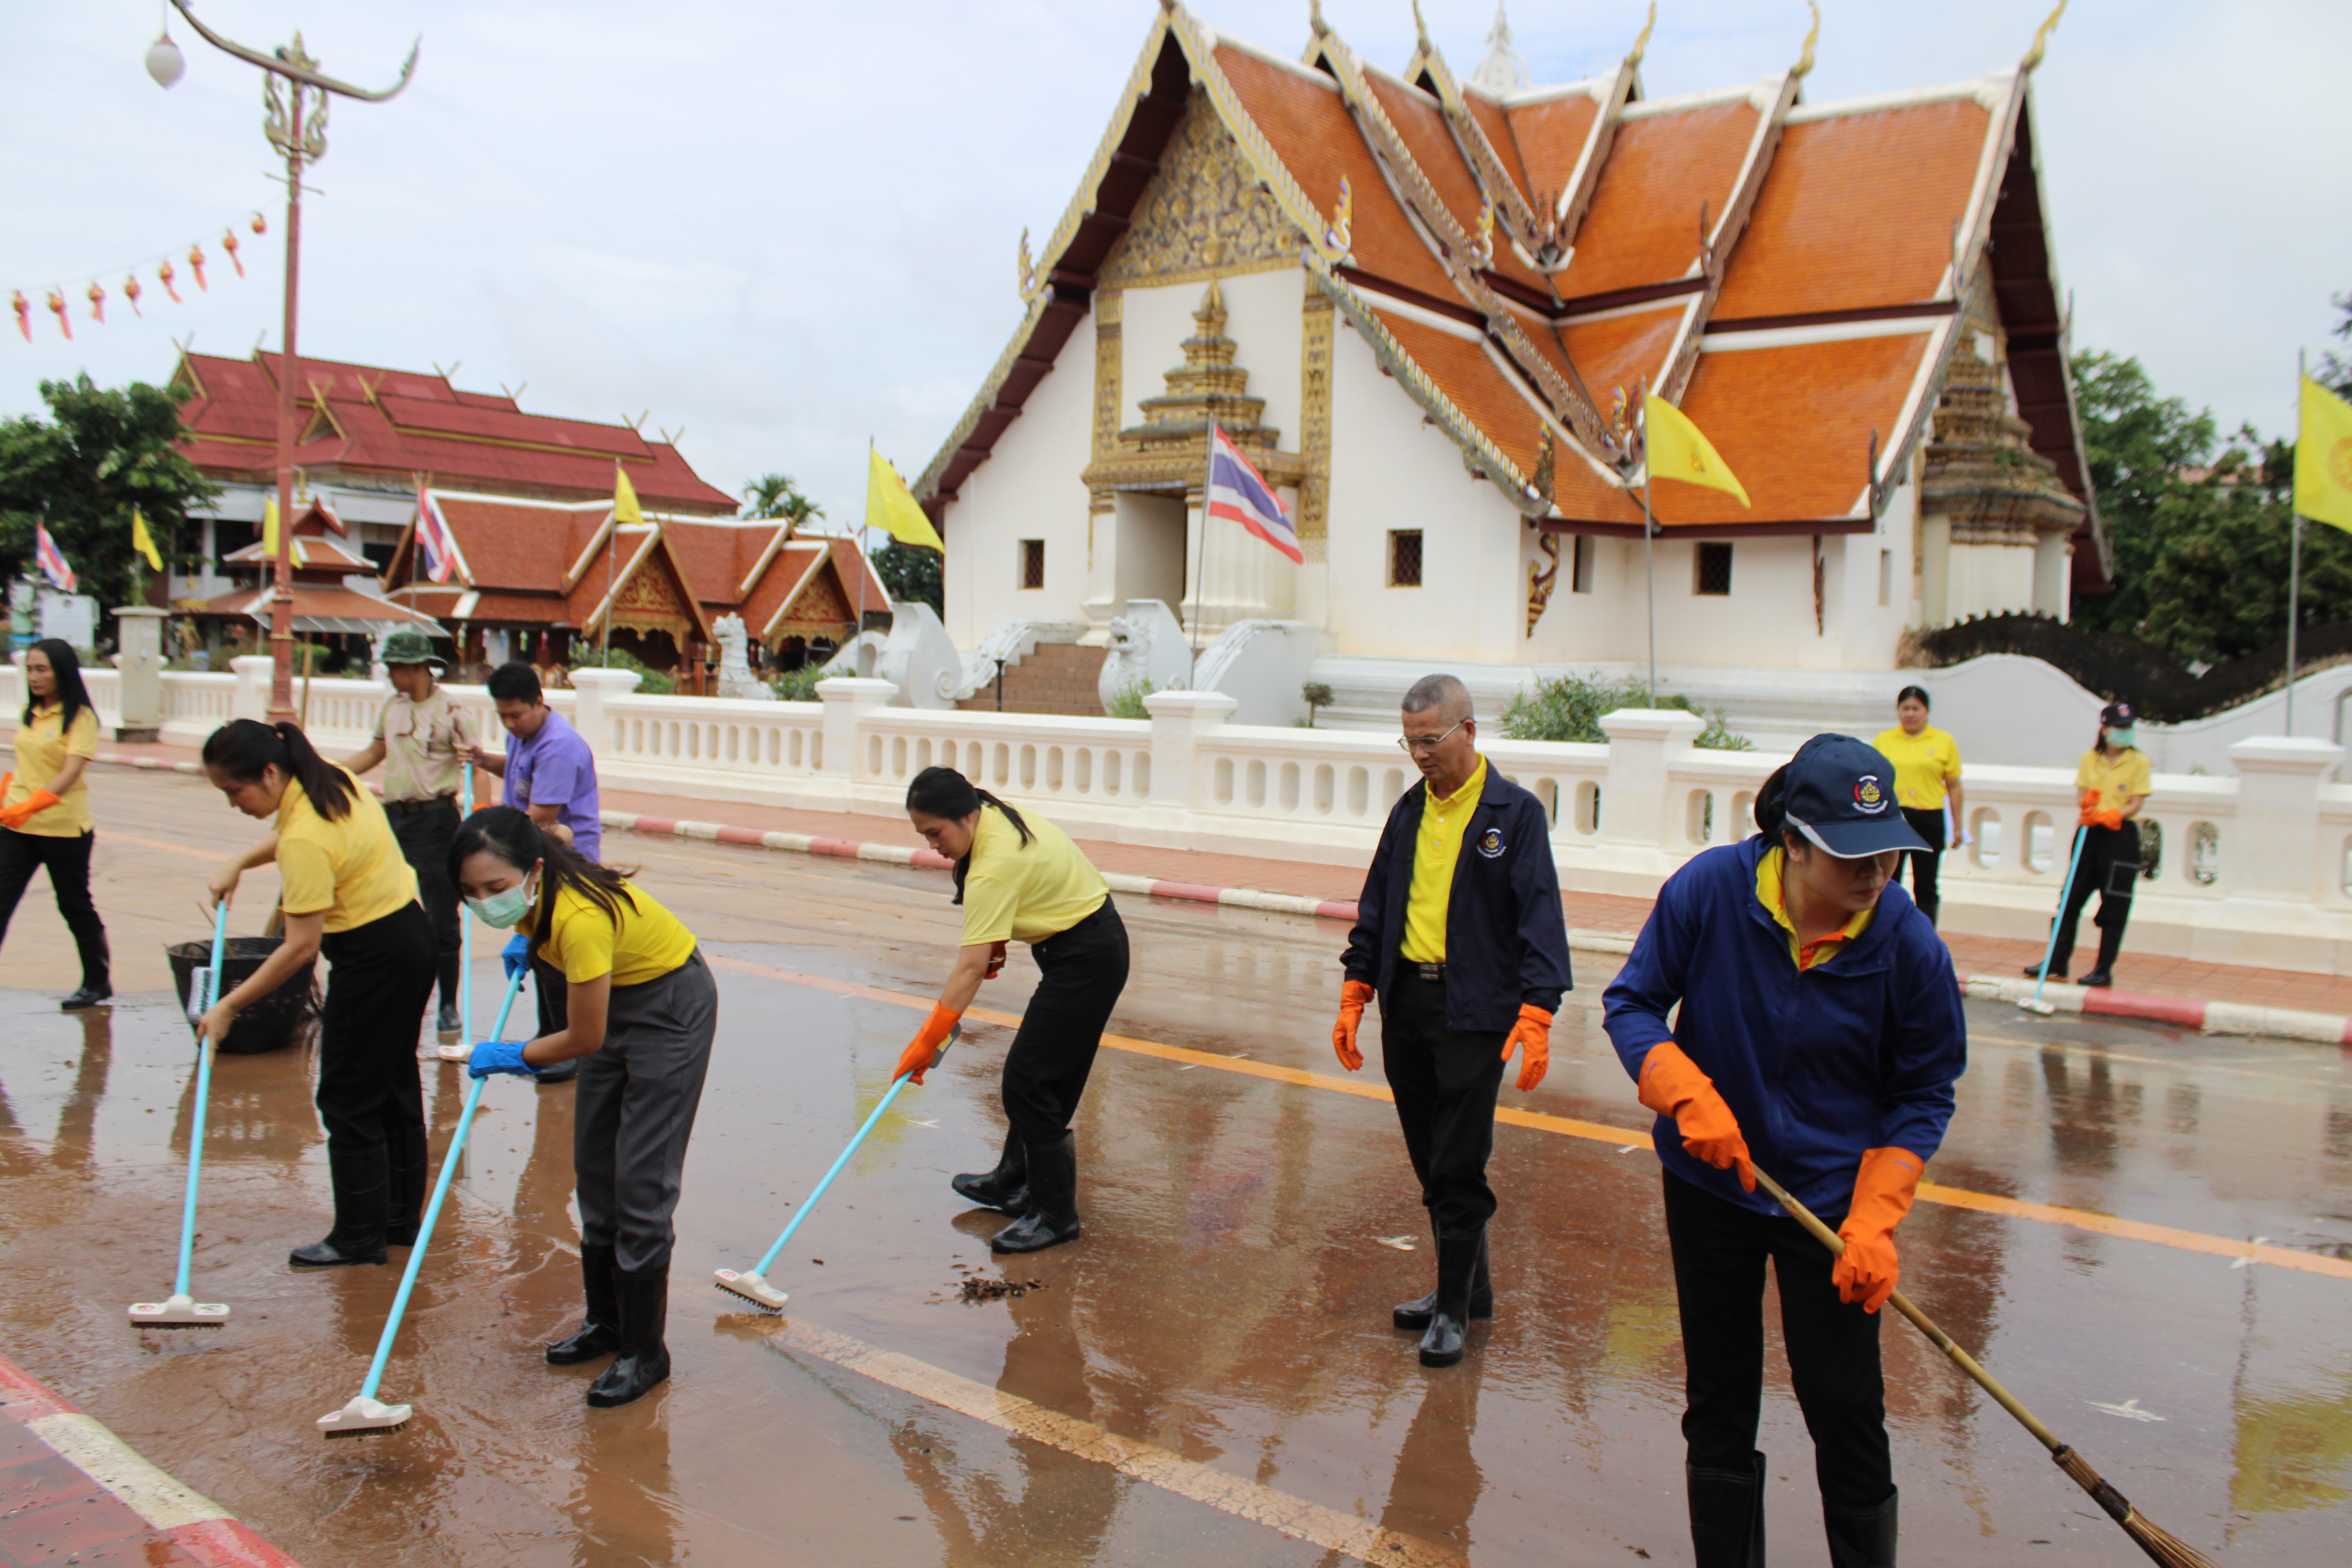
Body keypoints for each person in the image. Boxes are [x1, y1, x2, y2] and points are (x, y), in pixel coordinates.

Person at [1603, 734, 1966, 1568]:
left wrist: (1876, 1218)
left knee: (1844, 1407)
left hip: (1833, 1208)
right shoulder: (1711, 892)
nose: (1876, 875)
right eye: (1853, 857)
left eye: (1889, 855)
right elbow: (1633, 1003)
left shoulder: (1908, 947)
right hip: (1712, 1189)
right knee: (1720, 1399)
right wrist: (1685, 1093)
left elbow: (1923, 1093)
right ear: (1793, 841)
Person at [1331, 673, 1572, 1369]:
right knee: (1429, 1158)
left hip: (1475, 1012)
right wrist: (1357, 988)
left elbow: (1539, 914)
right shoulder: (1409, 811)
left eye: (1430, 740)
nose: (1419, 755)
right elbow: (1376, 905)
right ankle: (1475, 1286)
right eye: (1409, 742)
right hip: (1408, 1004)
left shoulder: (1514, 815)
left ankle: (1453, 1308)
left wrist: (1537, 1009)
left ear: (1469, 731)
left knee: (1458, 1162)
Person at [453, 805, 716, 1409]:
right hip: (611, 999)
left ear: (532, 871)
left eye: (495, 888)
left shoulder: (578, 918)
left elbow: (582, 1039)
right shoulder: (541, 908)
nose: (484, 902)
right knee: (595, 1168)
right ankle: (608, 1323)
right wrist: (529, 942)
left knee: (641, 1182)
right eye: (470, 892)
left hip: (668, 1008)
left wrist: (514, 1054)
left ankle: (646, 1352)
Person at [200, 719, 436, 1268]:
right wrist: (240, 860)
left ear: (270, 772)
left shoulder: (304, 837)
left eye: (235, 791)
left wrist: (229, 1005)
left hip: (373, 958)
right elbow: (295, 836)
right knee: (394, 1085)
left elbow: (299, 948)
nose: (234, 804)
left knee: (348, 1097)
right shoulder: (330, 778)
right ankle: (398, 1221)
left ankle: (358, 1238)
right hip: (410, 937)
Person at [900, 766, 1128, 1255]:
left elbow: (969, 969)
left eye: (936, 833)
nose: (933, 845)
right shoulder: (991, 815)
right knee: (1045, 1075)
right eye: (924, 835)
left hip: (1087, 959)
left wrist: (928, 1040)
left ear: (964, 815)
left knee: (1029, 1080)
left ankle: (1055, 1215)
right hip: (1083, 948)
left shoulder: (994, 862)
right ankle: (1013, 1182)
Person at [466, 661, 602, 1083]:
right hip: (534, 858)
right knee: (543, 954)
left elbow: (540, 816)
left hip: (563, 861)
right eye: (502, 716)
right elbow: (518, 773)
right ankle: (551, 1038)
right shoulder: (527, 736)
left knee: (560, 959)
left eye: (516, 715)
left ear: (539, 702)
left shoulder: (558, 746)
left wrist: (487, 834)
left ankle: (566, 1048)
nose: (509, 723)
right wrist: (485, 760)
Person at [342, 629, 477, 1040]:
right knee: (378, 904)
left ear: (419, 667)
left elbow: (475, 762)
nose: (392, 676)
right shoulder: (392, 707)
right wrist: (335, 775)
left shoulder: (453, 712)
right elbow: (375, 752)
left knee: (441, 919)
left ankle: (448, 1006)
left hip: (436, 821)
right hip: (393, 818)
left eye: (397, 668)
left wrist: (478, 819)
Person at [0, 641, 111, 1010]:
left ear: (61, 671)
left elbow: (71, 771)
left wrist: (33, 805)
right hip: (18, 826)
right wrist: (10, 796)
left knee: (74, 905)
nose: (34, 677)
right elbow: (29, 763)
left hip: (64, 829)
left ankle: (97, 982)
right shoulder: (31, 713)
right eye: (30, 669)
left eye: (42, 670)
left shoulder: (81, 717)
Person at [2024, 700, 2151, 989]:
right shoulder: (2089, 759)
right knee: (2070, 898)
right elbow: (2082, 795)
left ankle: (2103, 969)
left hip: (2120, 836)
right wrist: (2089, 807)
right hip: (2090, 833)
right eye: (2119, 728)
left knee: (2114, 905)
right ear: (2105, 730)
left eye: (2128, 727)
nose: (2125, 732)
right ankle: (2056, 962)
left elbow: (2137, 802)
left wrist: (2114, 814)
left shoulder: (2139, 762)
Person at [1873, 686, 1962, 927]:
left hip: (1930, 818)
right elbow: (1873, 783)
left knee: (1927, 884)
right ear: (1898, 711)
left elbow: (1954, 786)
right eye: (1905, 708)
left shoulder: (1943, 741)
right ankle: (1885, 932)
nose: (1910, 714)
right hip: (1894, 818)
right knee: (1889, 881)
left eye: (1916, 708)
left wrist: (1958, 827)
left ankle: (1925, 937)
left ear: (1927, 711)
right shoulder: (1884, 740)